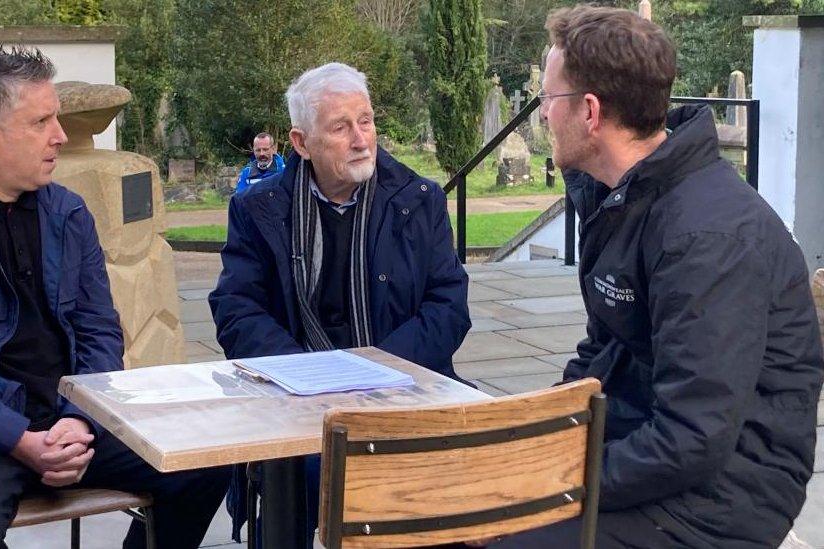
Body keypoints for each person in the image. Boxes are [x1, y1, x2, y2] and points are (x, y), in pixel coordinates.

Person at [0, 47, 229, 549]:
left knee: (204, 462)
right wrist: (20, 439)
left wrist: (79, 418)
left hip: (66, 419)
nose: (59, 134)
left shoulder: (67, 213)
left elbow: (100, 329)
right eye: (41, 121)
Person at [491, 5, 823, 548]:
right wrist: (526, 439)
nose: (544, 114)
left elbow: (694, 439)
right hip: (648, 447)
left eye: (549, 100)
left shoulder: (707, 238)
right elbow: (603, 352)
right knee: (442, 513)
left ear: (590, 112)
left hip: (725, 496)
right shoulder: (618, 198)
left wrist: (545, 486)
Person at [208, 62, 471, 546]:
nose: (360, 139)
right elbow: (236, 308)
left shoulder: (419, 199)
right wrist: (305, 380)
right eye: (340, 127)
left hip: (407, 388)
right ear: (302, 143)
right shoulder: (258, 209)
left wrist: (377, 374)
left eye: (366, 121)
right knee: (306, 474)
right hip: (297, 401)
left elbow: (448, 305)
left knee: (486, 459)